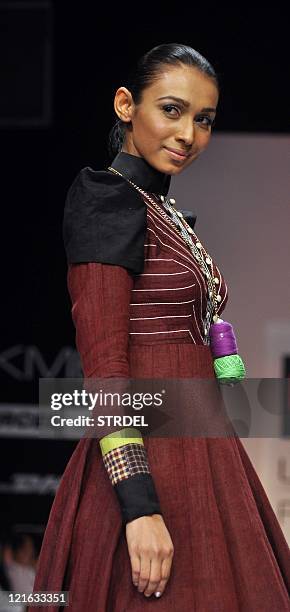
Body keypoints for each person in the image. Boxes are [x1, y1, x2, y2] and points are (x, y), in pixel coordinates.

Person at [30, 43, 290, 611]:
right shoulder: (107, 201)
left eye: (204, 120)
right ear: (126, 105)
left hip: (205, 451)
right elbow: (104, 370)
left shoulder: (165, 213)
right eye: (171, 110)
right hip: (148, 465)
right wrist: (140, 506)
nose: (188, 134)